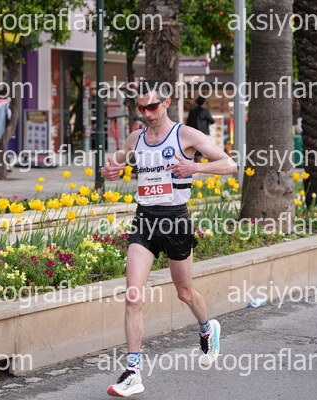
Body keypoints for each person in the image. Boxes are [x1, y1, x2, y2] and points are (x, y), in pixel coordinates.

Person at [101, 79, 237, 397]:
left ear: (166, 103)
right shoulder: (136, 138)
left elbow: (230, 164)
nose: (147, 113)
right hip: (145, 221)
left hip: (176, 221)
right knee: (133, 295)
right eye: (141, 108)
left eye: (152, 106)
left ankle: (208, 328)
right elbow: (115, 164)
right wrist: (111, 171)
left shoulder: (185, 135)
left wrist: (194, 167)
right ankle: (133, 372)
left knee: (185, 293)